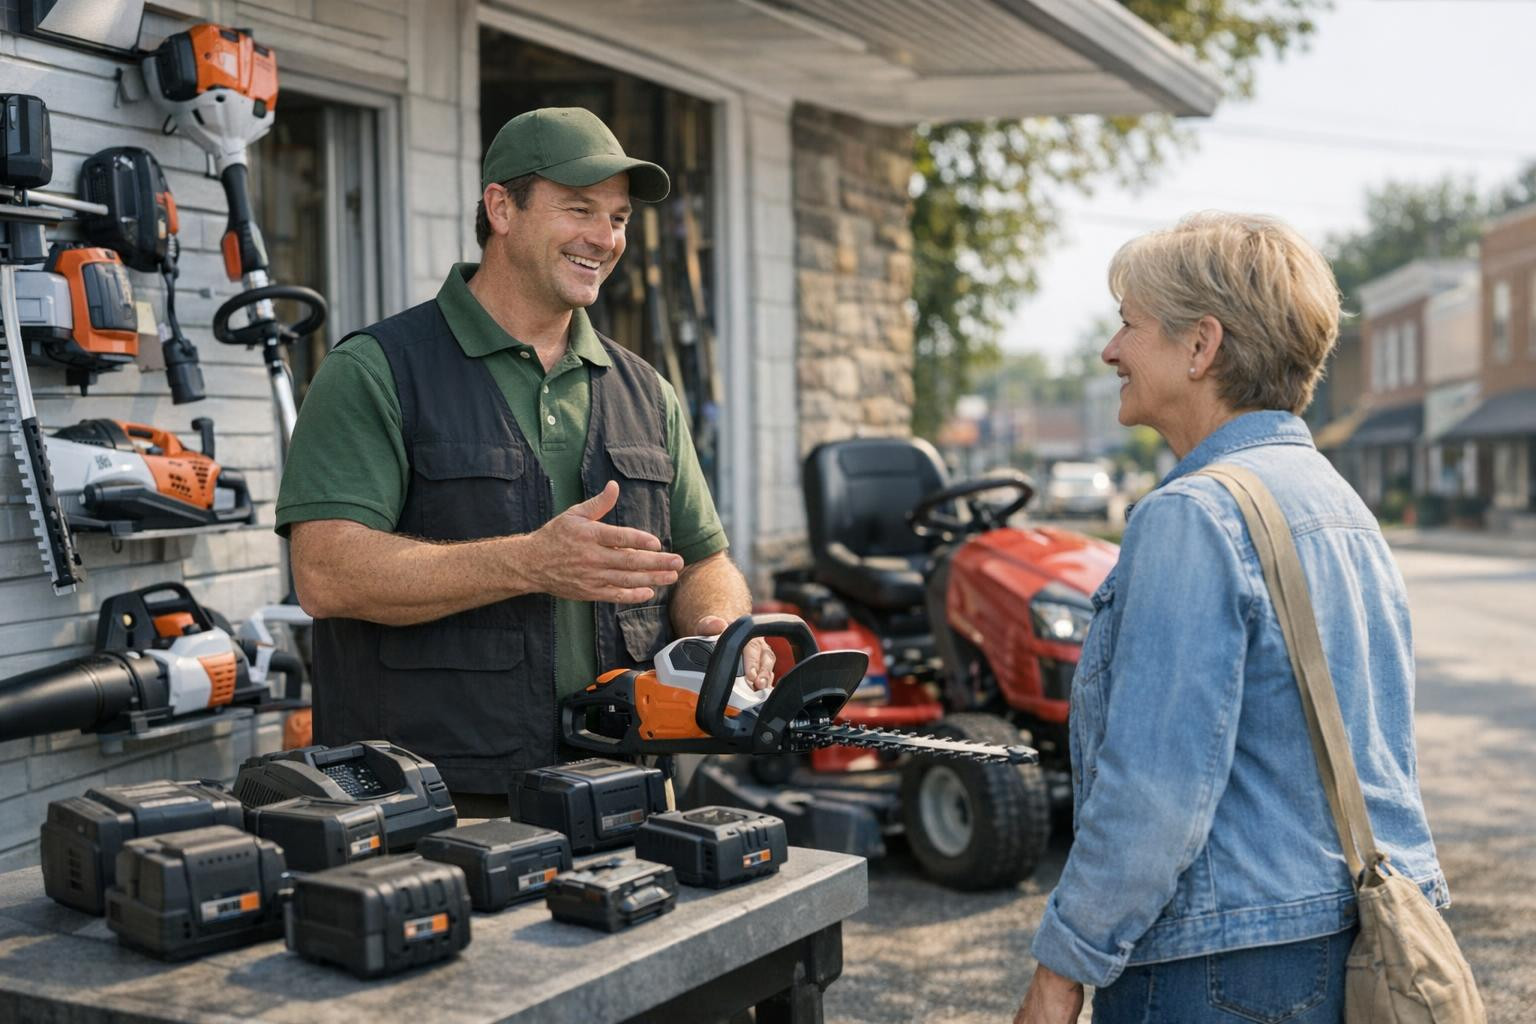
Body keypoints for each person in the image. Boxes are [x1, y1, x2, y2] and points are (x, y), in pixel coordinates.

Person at [1015, 212, 1449, 1024]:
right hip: (1345, 944)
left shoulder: (1193, 515)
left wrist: (1061, 969)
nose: (1111, 350)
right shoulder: (1343, 506)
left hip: (1220, 971)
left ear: (1200, 347)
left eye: (1129, 324)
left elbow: (1155, 791)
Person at [275, 108, 771, 816]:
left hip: (625, 788)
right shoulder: (377, 370)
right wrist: (529, 563)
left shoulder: (646, 392)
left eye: (620, 217)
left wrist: (718, 629)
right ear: (501, 207)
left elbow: (702, 561)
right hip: (435, 806)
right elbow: (325, 573)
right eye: (579, 208)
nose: (605, 238)